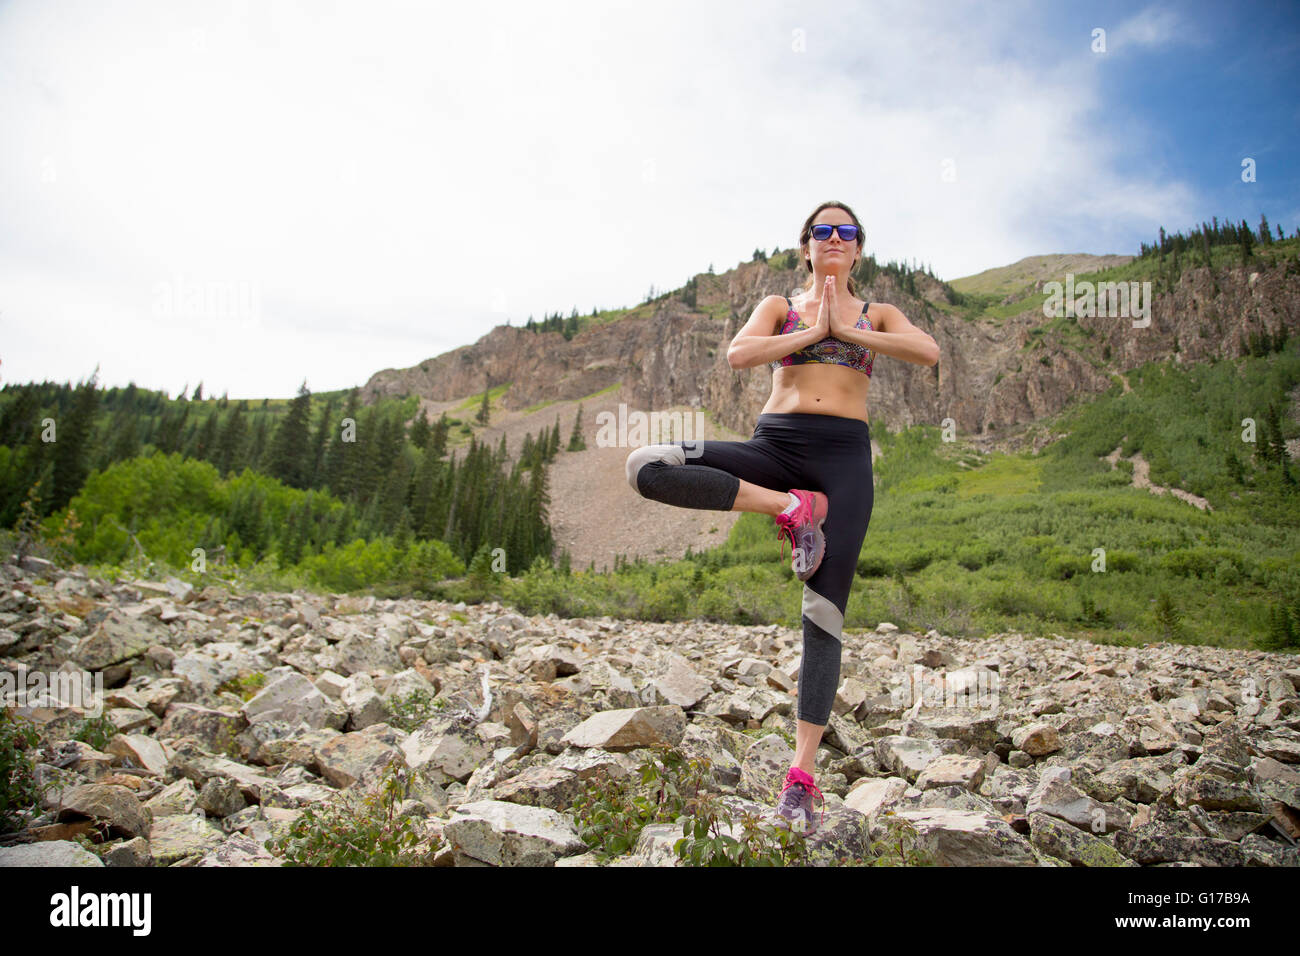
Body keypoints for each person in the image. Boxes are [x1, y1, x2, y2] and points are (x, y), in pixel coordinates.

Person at [624, 200, 940, 833]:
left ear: (857, 250)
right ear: (805, 246)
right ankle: (789, 508)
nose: (833, 238)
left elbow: (926, 351)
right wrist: (813, 331)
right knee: (646, 464)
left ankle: (800, 777)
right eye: (821, 230)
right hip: (775, 443)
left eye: (845, 232)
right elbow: (741, 356)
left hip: (844, 461)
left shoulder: (877, 313)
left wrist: (846, 331)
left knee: (823, 615)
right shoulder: (780, 305)